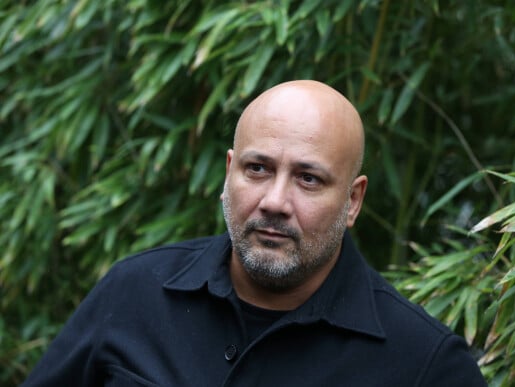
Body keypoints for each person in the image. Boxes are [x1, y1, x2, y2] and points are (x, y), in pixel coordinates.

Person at [23, 80, 487, 386]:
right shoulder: (134, 294)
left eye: (309, 178)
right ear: (229, 173)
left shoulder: (424, 364)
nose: (274, 201)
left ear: (353, 201)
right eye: (258, 168)